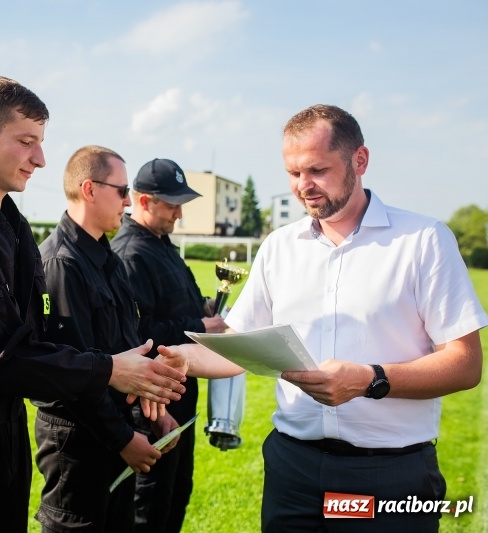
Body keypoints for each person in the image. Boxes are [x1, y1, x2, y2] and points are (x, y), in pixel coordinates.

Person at [0, 77, 187, 533]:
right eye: (27, 142)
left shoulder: (12, 226)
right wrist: (108, 370)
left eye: (41, 143)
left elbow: (43, 341)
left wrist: (133, 378)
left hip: (5, 435)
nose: (41, 159)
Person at [221, 104, 487, 531]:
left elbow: (466, 363)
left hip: (386, 479)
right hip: (293, 471)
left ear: (359, 161)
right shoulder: (278, 246)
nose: (303, 187)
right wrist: (170, 360)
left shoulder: (423, 240)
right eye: (293, 174)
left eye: (317, 170)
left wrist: (369, 379)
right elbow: (235, 342)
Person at [33, 146, 171, 532]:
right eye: (121, 190)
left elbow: (129, 347)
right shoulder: (61, 264)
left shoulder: (106, 258)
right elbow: (73, 374)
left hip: (113, 432)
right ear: (89, 189)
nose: (128, 202)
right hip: (77, 444)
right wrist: (124, 439)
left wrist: (152, 410)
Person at [110, 159, 227, 533]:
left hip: (180, 394)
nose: (179, 213)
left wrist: (205, 308)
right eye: (171, 203)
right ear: (143, 201)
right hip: (152, 406)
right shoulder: (131, 254)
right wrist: (200, 325)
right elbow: (138, 332)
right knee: (151, 504)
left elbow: (175, 306)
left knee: (177, 494)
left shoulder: (162, 244)